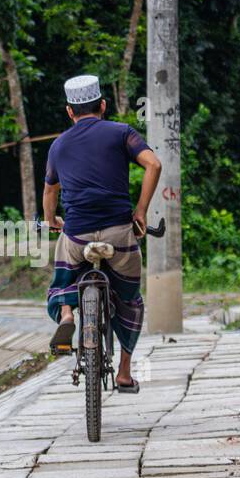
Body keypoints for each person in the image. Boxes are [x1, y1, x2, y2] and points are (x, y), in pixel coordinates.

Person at [43, 74, 162, 393]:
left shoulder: (58, 146)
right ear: (103, 105)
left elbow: (50, 191)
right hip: (119, 234)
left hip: (78, 236)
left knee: (62, 272)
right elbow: (154, 165)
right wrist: (140, 211)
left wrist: (51, 219)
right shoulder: (122, 132)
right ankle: (124, 372)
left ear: (70, 112)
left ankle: (67, 313)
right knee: (131, 300)